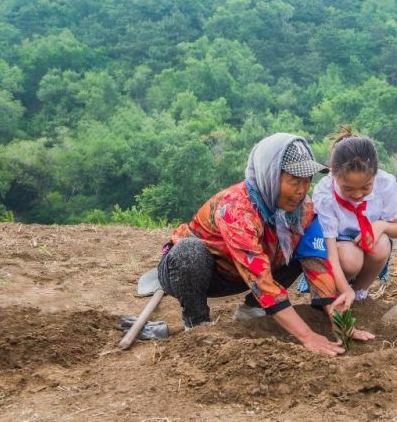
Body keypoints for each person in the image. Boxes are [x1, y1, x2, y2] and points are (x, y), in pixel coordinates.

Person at [157, 133, 373, 356]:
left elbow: (316, 263)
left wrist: (342, 323)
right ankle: (197, 323)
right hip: (205, 273)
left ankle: (253, 308)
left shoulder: (304, 210)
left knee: (301, 249)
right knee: (189, 253)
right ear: (270, 176)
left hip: (242, 276)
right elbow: (260, 277)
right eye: (294, 181)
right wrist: (307, 336)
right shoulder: (237, 209)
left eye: (307, 180)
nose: (301, 190)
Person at [308, 127, 397, 310]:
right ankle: (337, 293)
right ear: (333, 175)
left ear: (375, 174)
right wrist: (345, 289)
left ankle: (359, 293)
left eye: (366, 187)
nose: (358, 194)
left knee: (382, 243)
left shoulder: (385, 183)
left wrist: (381, 226)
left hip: (368, 242)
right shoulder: (325, 193)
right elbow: (329, 252)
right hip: (338, 247)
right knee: (351, 259)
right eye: (349, 189)